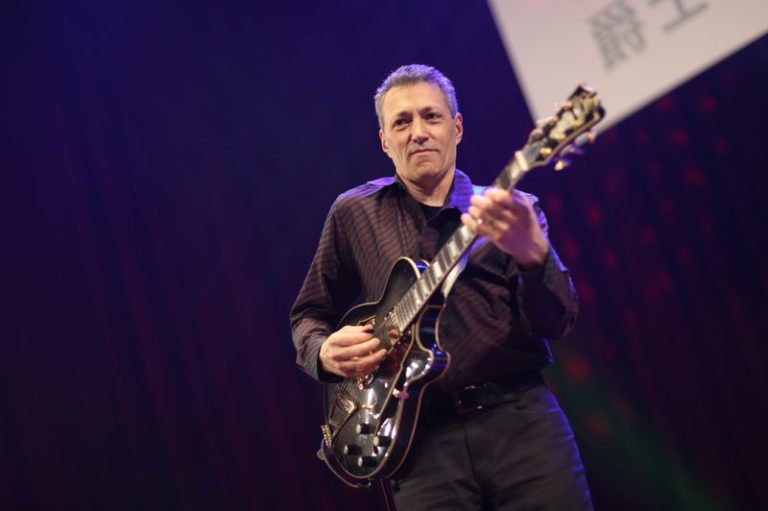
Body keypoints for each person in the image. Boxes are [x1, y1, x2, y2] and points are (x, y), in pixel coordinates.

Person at [290, 64, 593, 510]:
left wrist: (535, 259)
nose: (418, 132)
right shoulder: (353, 213)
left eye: (431, 117)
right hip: (417, 446)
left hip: (521, 428)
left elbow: (557, 322)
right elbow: (308, 315)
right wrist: (322, 353)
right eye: (402, 122)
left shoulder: (514, 211)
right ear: (385, 141)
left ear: (457, 127)